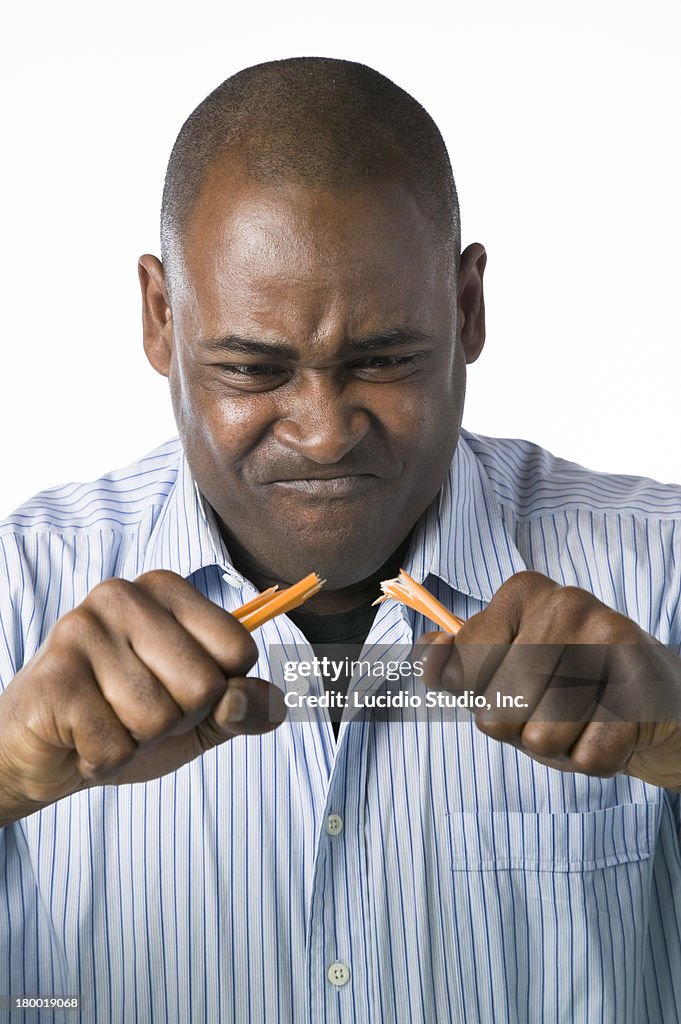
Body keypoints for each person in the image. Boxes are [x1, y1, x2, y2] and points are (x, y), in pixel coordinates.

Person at [1, 56, 680, 1024]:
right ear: (161, 316)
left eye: (385, 359)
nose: (324, 430)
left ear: (467, 307)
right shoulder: (14, 586)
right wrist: (7, 771)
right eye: (250, 368)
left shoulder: (663, 569)